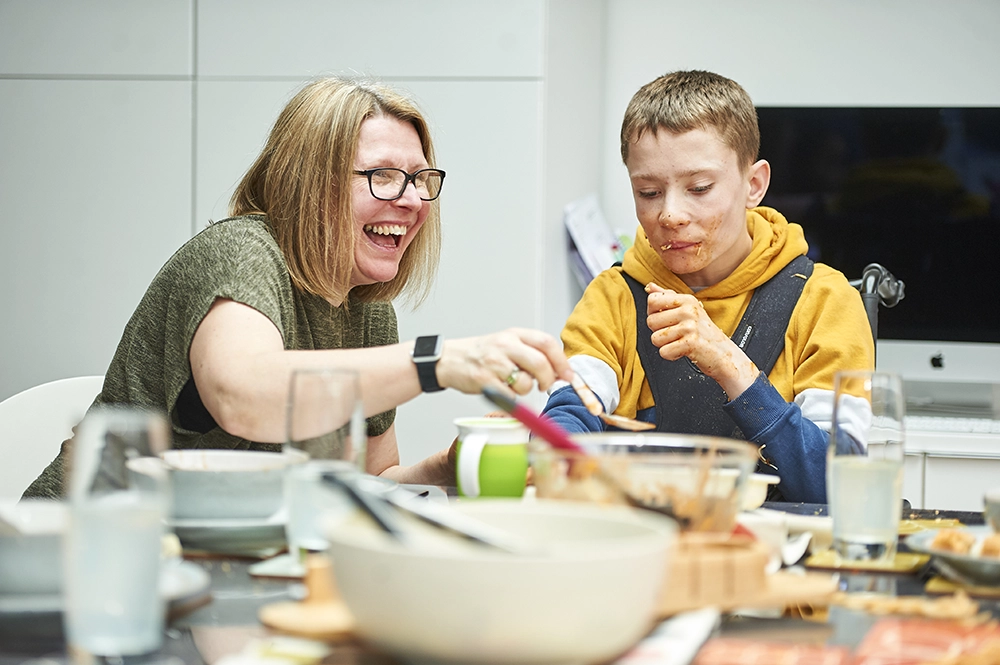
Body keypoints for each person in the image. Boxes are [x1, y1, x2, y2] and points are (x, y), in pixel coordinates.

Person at [24, 76, 572, 499]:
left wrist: (443, 471)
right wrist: (434, 363)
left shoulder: (366, 307)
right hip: (75, 558)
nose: (410, 200)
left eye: (421, 180)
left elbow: (370, 478)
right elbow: (244, 396)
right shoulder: (241, 253)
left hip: (209, 571)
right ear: (309, 182)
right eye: (382, 175)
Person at [541, 70, 874, 503]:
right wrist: (550, 447)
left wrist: (729, 364)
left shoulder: (825, 302)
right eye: (648, 192)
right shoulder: (614, 297)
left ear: (754, 184)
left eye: (699, 188)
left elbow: (841, 486)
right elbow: (570, 416)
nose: (670, 214)